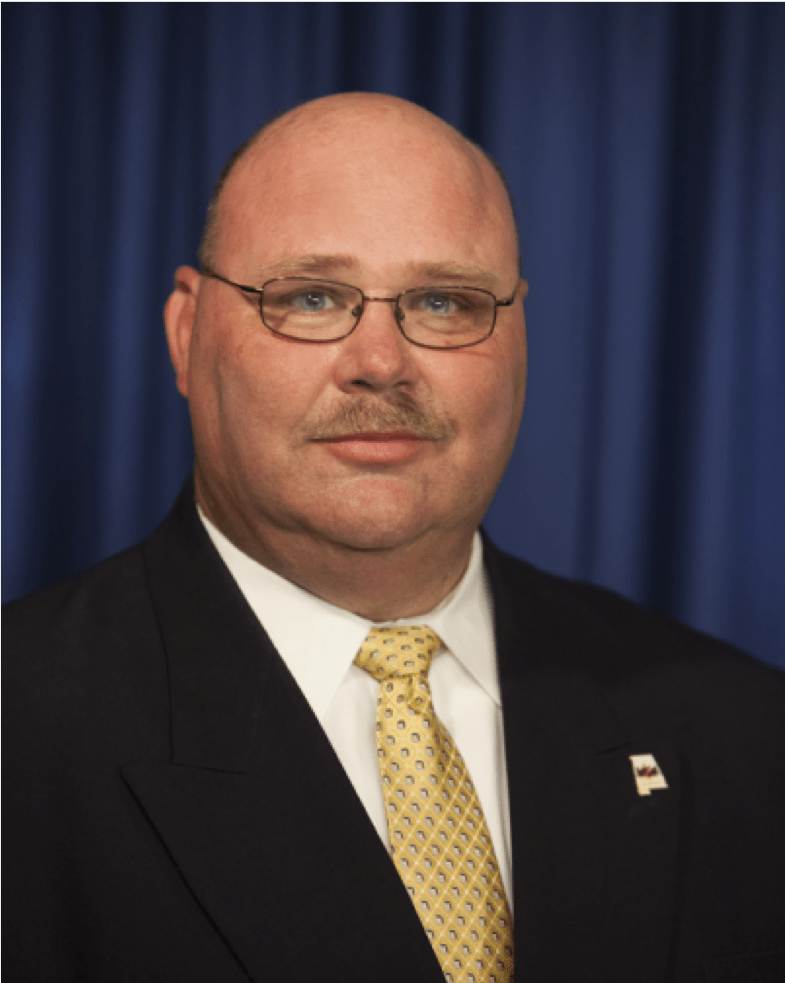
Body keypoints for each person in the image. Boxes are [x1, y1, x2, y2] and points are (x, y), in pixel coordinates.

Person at [2, 93, 783, 983]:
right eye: (310, 296)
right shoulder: (21, 733)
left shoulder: (745, 737)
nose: (380, 362)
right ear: (187, 334)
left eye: (444, 301)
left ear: (520, 336)